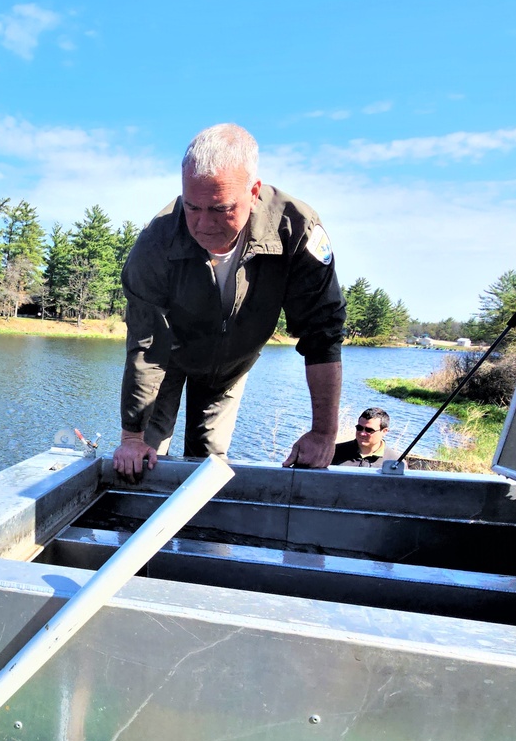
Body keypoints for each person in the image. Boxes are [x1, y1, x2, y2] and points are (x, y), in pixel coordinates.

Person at [112, 124, 346, 479]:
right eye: (193, 207)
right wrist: (132, 435)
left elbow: (322, 334)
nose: (203, 224)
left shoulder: (296, 230)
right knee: (147, 460)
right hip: (169, 359)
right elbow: (147, 345)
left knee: (207, 468)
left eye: (220, 209)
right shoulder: (156, 241)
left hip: (231, 366)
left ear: (253, 192)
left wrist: (324, 433)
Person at [332, 408, 397, 468]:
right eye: (359, 428)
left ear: (384, 431)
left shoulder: (395, 462)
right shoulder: (333, 452)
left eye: (369, 430)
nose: (362, 433)